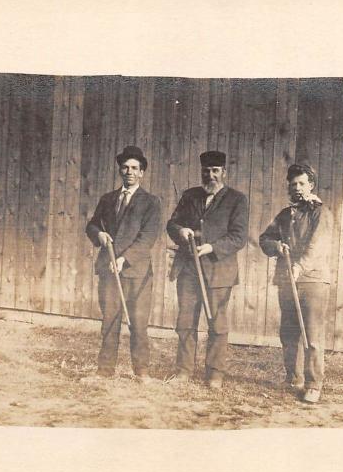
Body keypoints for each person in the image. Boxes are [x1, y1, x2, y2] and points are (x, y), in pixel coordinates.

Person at [166, 150, 249, 389]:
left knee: (217, 323)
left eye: (215, 171)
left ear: (224, 172)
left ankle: (214, 374)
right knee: (185, 322)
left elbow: (239, 237)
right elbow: (172, 223)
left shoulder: (237, 199)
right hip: (189, 270)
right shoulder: (189, 196)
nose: (210, 175)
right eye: (206, 171)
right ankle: (183, 371)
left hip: (219, 271)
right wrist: (180, 231)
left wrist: (211, 247)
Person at [85, 146, 162, 383]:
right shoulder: (107, 199)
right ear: (120, 170)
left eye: (134, 168)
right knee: (110, 320)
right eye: (125, 167)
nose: (129, 172)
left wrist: (123, 259)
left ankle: (142, 372)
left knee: (138, 323)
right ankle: (104, 370)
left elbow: (147, 237)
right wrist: (98, 234)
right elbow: (92, 225)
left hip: (136, 273)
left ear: (142, 173)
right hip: (109, 272)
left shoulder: (150, 202)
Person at [258, 164, 332, 403]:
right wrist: (277, 247)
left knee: (312, 333)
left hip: (312, 280)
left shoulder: (319, 213)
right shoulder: (284, 215)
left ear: (311, 185)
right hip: (287, 280)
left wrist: (299, 267)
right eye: (293, 184)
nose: (297, 188)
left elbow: (316, 247)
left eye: (301, 183)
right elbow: (265, 238)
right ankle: (294, 377)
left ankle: (313, 384)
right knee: (289, 332)